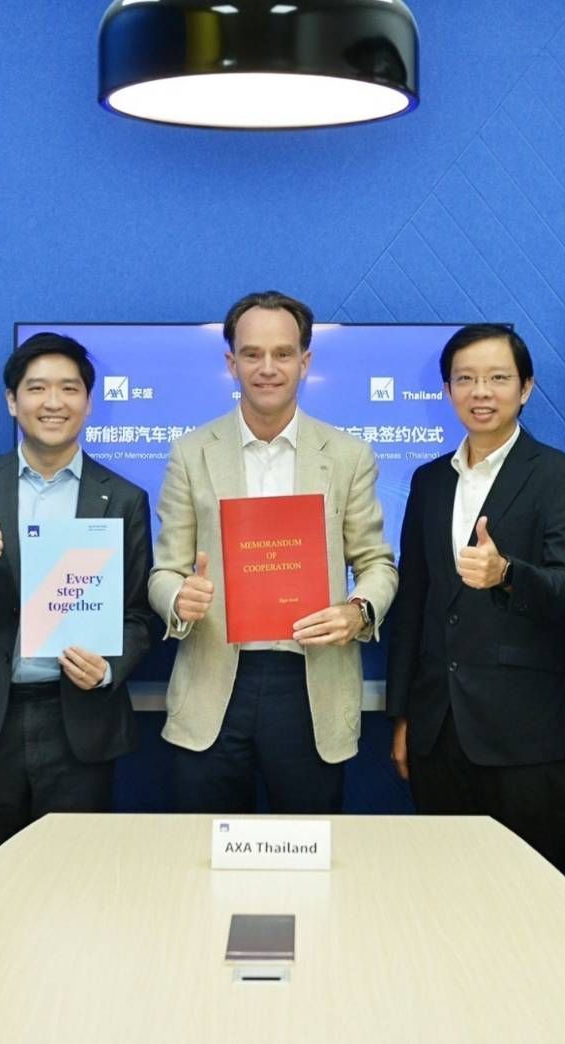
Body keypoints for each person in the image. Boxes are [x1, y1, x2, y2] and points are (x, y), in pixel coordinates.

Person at [149, 290, 397, 813]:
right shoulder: (190, 453)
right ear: (231, 363)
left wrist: (358, 611)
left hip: (311, 680)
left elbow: (377, 563)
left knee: (309, 848)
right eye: (252, 354)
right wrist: (177, 598)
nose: (267, 368)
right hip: (215, 679)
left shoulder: (348, 456)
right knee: (205, 847)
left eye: (283, 354)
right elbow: (164, 569)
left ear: (305, 362)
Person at [0, 333, 158, 861]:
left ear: (88, 401)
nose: (53, 402)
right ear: (12, 401)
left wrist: (107, 667)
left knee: (76, 878)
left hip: (79, 722)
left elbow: (139, 614)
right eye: (36, 388)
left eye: (69, 388)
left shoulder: (122, 499)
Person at [385, 323, 565, 870]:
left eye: (498, 378)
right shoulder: (429, 481)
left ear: (526, 387)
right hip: (436, 730)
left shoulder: (562, 477)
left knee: (527, 895)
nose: (481, 392)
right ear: (447, 389)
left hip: (523, 736)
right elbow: (413, 603)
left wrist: (506, 574)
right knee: (445, 889)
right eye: (466, 379)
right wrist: (403, 716)